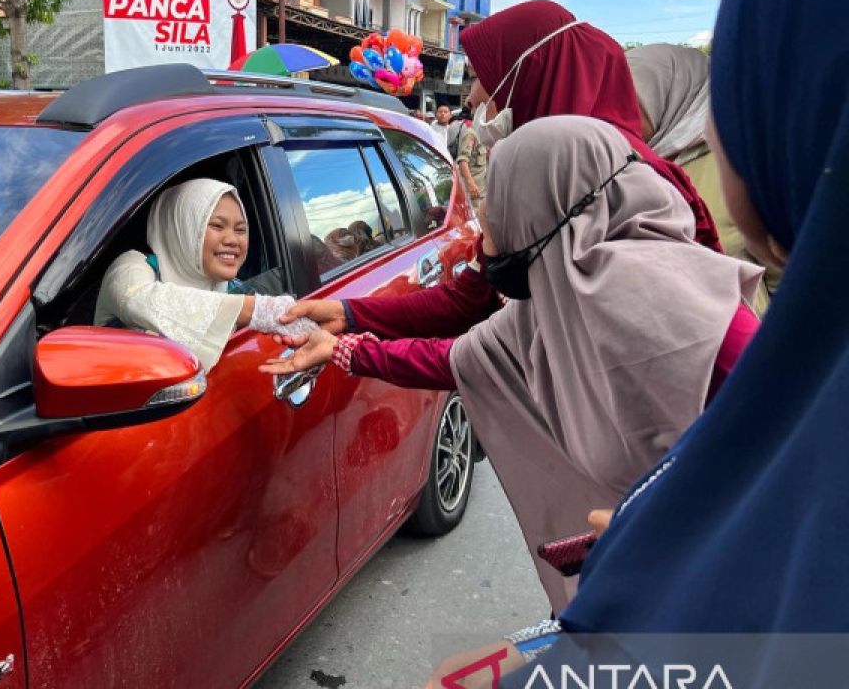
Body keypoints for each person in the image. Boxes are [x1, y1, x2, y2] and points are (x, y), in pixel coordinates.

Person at [501, 0, 849, 683]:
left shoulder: (679, 306)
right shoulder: (804, 400)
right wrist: (674, 529)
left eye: (741, 59)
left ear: (796, 101)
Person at [264, 116, 761, 612]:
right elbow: (465, 356)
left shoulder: (702, 323)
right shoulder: (567, 289)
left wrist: (685, 533)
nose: (483, 243)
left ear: (543, 212)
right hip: (633, 576)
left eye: (495, 215)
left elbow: (797, 469)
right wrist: (347, 342)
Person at [460, 0, 723, 252]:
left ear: (529, 77)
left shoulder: (639, 192)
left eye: (477, 77)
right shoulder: (540, 175)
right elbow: (474, 291)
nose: (470, 99)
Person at [94, 177, 314, 372]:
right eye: (217, 226)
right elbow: (136, 299)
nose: (232, 240)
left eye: (240, 230)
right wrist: (260, 310)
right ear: (182, 228)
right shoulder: (132, 265)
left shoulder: (232, 286)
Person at [627, 43, 780, 309]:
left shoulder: (742, 160)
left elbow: (788, 274)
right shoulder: (628, 165)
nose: (622, 116)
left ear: (673, 92)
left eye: (632, 103)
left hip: (748, 335)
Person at [455, 116, 487, 210]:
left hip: (481, 190)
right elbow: (462, 160)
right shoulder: (470, 134)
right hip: (473, 192)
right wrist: (470, 183)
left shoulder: (481, 135)